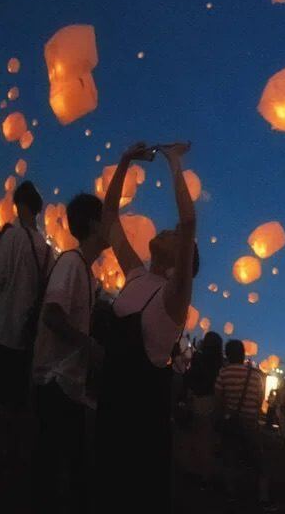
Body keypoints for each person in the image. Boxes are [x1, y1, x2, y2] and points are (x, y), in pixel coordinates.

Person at [95, 141, 197, 507]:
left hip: (140, 423)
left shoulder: (173, 298)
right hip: (110, 404)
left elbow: (187, 222)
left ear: (182, 261)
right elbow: (109, 218)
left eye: (172, 236)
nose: (167, 232)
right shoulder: (137, 275)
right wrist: (124, 160)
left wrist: (173, 162)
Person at [30, 193, 105, 512]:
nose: (113, 226)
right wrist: (87, 344)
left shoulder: (86, 272)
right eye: (107, 219)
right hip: (55, 380)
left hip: (67, 384)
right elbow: (52, 314)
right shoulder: (72, 264)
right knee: (59, 466)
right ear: (92, 224)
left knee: (66, 465)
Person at [0, 179, 50, 501]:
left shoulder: (12, 237)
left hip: (4, 325)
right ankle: (14, 454)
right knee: (17, 399)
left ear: (21, 206)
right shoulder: (45, 248)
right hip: (27, 333)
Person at [214, 339, 271, 508]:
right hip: (250, 422)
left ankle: (230, 494)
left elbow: (218, 398)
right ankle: (263, 498)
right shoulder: (255, 375)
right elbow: (260, 400)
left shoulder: (223, 373)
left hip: (231, 420)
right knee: (260, 462)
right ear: (243, 354)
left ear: (227, 354)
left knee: (230, 457)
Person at [179, 331, 224, 486]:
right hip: (212, 400)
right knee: (206, 437)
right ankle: (205, 473)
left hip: (198, 397)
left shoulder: (199, 357)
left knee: (194, 434)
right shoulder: (220, 363)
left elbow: (190, 377)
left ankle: (192, 469)